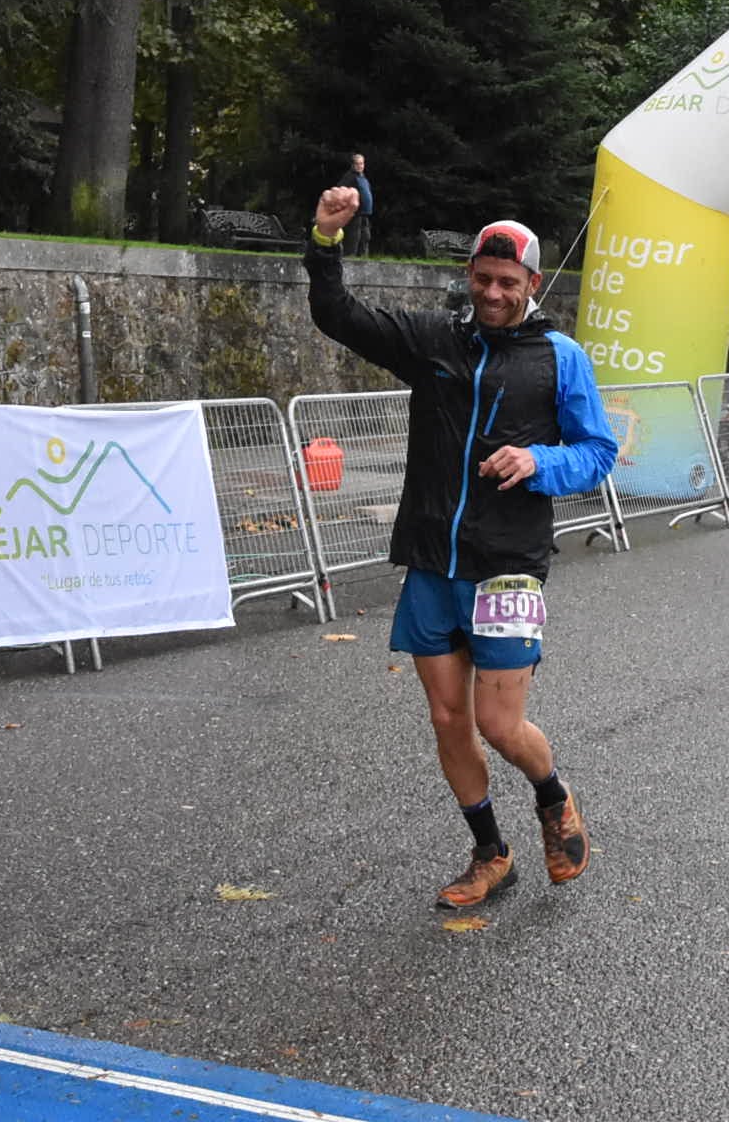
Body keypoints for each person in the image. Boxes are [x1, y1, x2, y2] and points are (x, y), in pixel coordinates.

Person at [304, 189, 614, 911]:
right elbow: (338, 315)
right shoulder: (437, 340)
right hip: (434, 563)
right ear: (470, 276)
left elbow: (598, 452)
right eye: (484, 279)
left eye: (510, 283)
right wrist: (324, 239)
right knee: (448, 719)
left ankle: (554, 796)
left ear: (534, 285)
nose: (495, 293)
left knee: (499, 725)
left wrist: (539, 463)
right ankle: (490, 853)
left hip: (507, 564)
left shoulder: (559, 359)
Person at [336, 152, 375, 257]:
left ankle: (363, 256)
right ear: (352, 165)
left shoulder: (363, 177)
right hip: (355, 213)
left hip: (365, 213)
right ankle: (350, 256)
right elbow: (341, 190)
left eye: (361, 164)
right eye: (357, 164)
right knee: (354, 236)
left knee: (365, 236)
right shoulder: (349, 177)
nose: (360, 166)